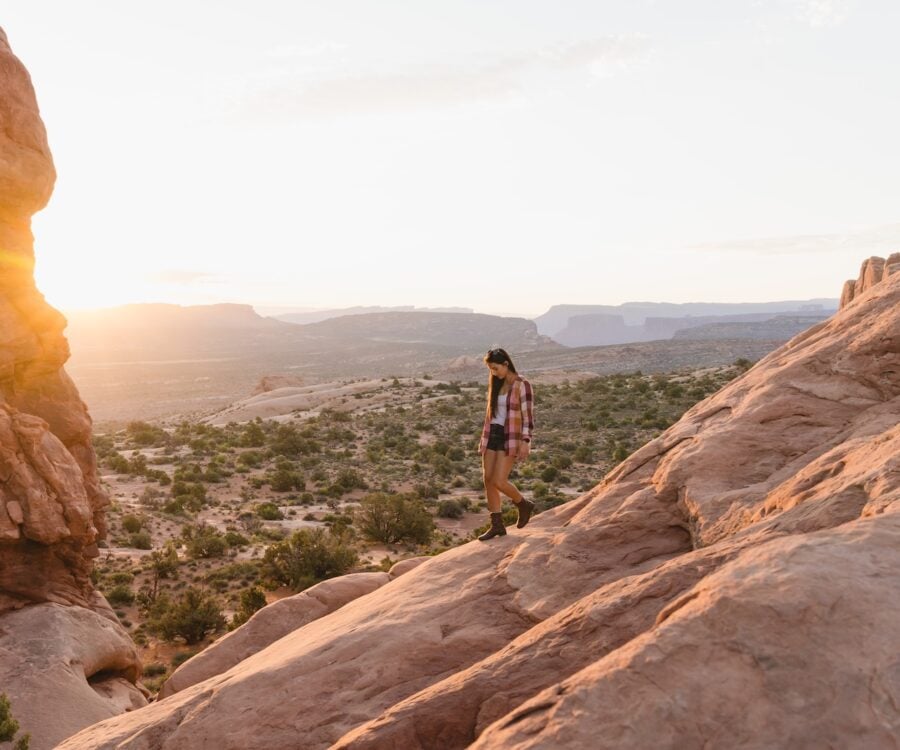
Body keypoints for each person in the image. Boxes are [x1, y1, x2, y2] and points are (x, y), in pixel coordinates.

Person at [476, 347, 536, 541]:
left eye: (495, 368)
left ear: (506, 364)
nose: (493, 372)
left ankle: (523, 503)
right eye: (491, 369)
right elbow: (491, 414)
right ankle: (497, 525)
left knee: (499, 481)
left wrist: (526, 441)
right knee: (488, 480)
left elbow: (528, 417)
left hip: (509, 436)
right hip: (492, 433)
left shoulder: (522, 384)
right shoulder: (496, 384)